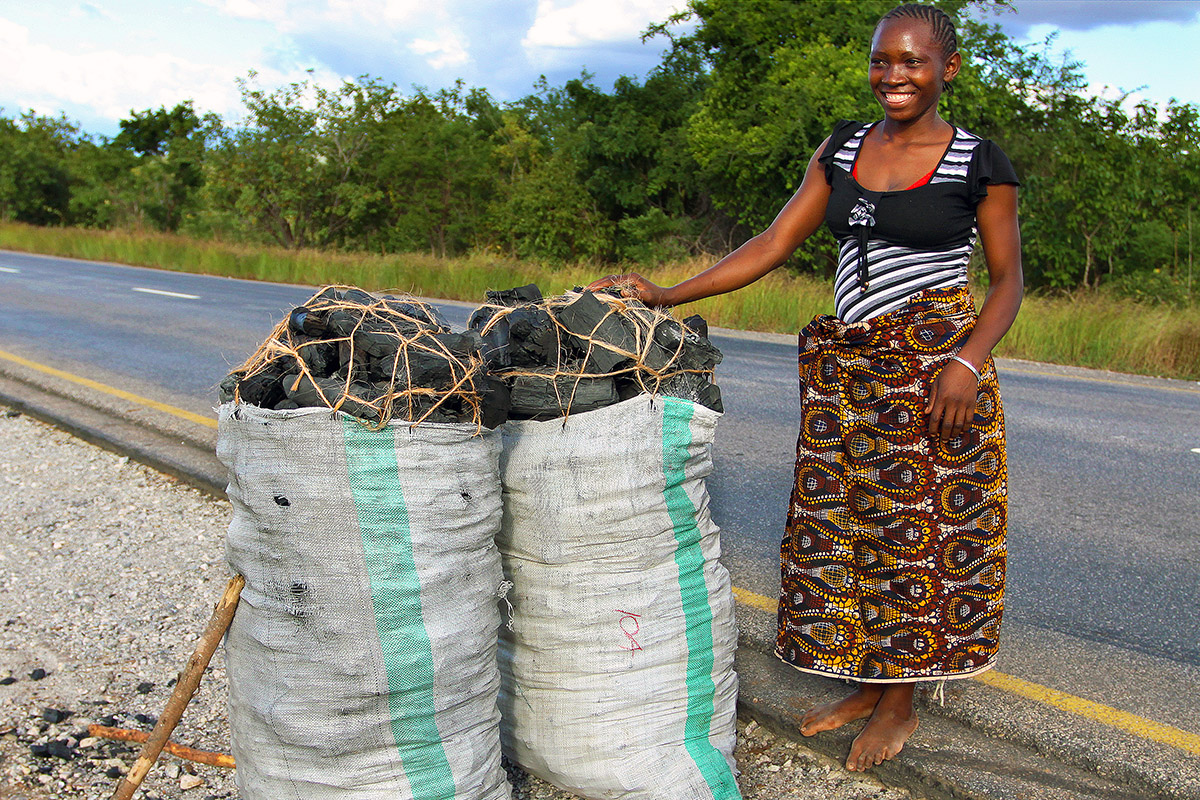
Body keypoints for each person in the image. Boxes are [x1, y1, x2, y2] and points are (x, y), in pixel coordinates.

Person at [588, 3, 1022, 773]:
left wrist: (966, 362)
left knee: (915, 536)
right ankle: (865, 680)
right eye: (882, 60)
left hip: (932, 369)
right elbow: (773, 241)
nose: (893, 76)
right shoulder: (843, 149)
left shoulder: (975, 161)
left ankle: (899, 702)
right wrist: (669, 293)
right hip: (847, 370)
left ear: (946, 70)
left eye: (912, 63)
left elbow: (1008, 281)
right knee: (848, 524)